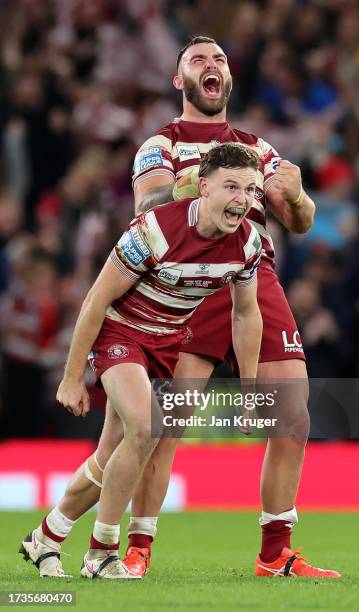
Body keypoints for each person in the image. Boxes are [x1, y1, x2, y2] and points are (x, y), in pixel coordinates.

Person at [21, 37, 340, 580]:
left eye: (218, 60)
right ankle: (136, 546)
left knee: (292, 415)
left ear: (229, 79)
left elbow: (300, 222)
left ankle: (275, 552)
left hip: (248, 273)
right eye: (197, 60)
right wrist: (198, 184)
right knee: (161, 427)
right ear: (180, 81)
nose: (210, 67)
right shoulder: (159, 145)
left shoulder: (259, 149)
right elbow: (147, 206)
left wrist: (300, 195)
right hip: (181, 285)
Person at [20, 143, 263, 579]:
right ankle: (101, 554)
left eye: (250, 189)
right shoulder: (154, 230)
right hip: (119, 333)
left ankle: (47, 537)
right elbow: (97, 299)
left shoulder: (247, 244)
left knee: (112, 453)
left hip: (167, 344)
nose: (243, 199)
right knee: (147, 428)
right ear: (203, 189)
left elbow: (245, 314)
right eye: (232, 186)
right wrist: (72, 378)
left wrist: (250, 391)